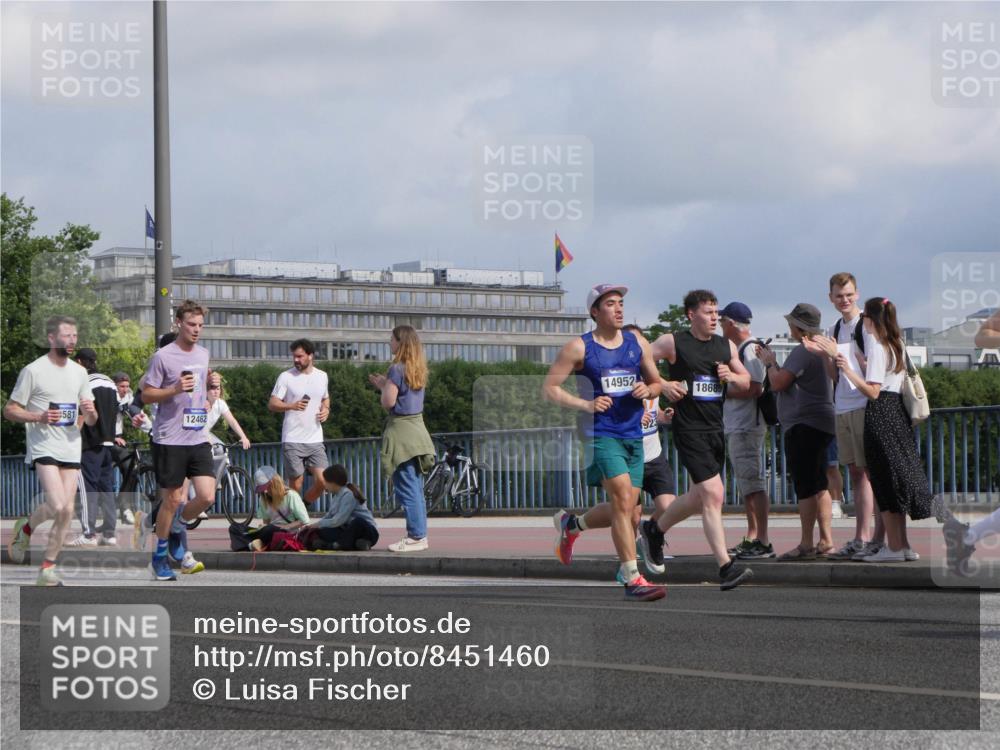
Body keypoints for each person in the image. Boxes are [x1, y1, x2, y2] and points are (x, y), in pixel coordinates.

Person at [543, 284, 666, 601]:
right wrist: (585, 405)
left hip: (633, 434)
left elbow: (656, 382)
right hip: (601, 433)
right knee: (624, 499)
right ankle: (631, 576)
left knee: (629, 512)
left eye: (621, 303)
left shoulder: (637, 342)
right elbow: (551, 389)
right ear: (595, 312)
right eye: (610, 304)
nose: (619, 309)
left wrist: (648, 391)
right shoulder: (579, 348)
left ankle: (573, 526)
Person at [641, 290, 755, 591]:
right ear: (691, 314)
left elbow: (748, 381)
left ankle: (654, 528)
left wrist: (731, 375)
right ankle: (725, 566)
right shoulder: (673, 342)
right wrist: (664, 384)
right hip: (688, 429)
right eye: (708, 312)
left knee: (696, 498)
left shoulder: (725, 344)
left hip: (715, 428)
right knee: (714, 494)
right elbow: (639, 361)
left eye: (717, 312)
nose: (715, 318)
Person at [821, 298, 931, 561]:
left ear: (870, 319)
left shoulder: (879, 346)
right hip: (897, 414)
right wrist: (860, 362)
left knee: (884, 481)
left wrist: (848, 369)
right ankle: (902, 545)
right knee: (895, 479)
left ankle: (893, 547)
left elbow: (873, 390)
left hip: (881, 414)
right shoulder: (896, 344)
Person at [4, 315, 97, 586]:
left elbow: (90, 419)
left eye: (75, 336)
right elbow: (9, 410)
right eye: (66, 336)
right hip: (43, 445)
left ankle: (45, 564)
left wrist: (89, 414)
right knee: (59, 505)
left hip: (71, 446)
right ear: (51, 338)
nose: (71, 341)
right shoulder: (33, 370)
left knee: (66, 510)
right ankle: (34, 540)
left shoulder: (80, 373)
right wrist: (39, 417)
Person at [139, 300, 221, 581]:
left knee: (207, 495)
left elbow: (198, 390)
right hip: (169, 439)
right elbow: (147, 394)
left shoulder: (203, 354)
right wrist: (174, 389)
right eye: (191, 324)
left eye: (200, 325)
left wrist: (210, 387)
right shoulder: (163, 356)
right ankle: (160, 558)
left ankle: (177, 526)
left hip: (197, 436)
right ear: (178, 323)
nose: (196, 330)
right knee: (172, 500)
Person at [756, 303, 836, 560]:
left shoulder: (804, 350)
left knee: (805, 485)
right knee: (820, 483)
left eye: (791, 323)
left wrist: (769, 363)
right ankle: (826, 539)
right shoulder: (824, 348)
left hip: (804, 424)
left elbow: (779, 383)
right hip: (824, 421)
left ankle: (806, 543)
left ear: (798, 327)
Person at [820, 272, 883, 560]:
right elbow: (833, 374)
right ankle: (862, 536)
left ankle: (874, 537)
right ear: (831, 298)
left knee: (870, 472)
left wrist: (842, 360)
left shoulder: (865, 326)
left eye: (848, 294)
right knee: (856, 473)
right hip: (842, 404)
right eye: (838, 295)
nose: (844, 300)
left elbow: (874, 371)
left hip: (864, 404)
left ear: (857, 294)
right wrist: (826, 354)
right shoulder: (834, 327)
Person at [370, 325, 435, 552]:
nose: (390, 342)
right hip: (418, 430)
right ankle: (419, 534)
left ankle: (416, 537)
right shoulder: (418, 369)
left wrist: (383, 387)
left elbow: (389, 402)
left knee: (406, 486)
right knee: (415, 487)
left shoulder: (396, 369)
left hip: (401, 433)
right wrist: (385, 385)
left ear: (400, 342)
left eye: (392, 339)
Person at [718, 302, 774, 559]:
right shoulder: (746, 347)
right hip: (741, 424)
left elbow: (754, 388)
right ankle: (753, 536)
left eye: (721, 322)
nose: (720, 327)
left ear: (731, 323)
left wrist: (722, 390)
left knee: (753, 482)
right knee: (747, 482)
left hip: (746, 424)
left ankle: (761, 538)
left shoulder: (749, 349)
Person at [622, 324, 677, 575]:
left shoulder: (652, 377)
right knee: (631, 514)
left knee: (669, 506)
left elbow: (653, 413)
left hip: (653, 454)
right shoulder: (619, 377)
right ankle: (630, 556)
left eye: (642, 341)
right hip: (628, 455)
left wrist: (664, 417)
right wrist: (635, 420)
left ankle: (651, 532)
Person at [66, 348, 120, 547]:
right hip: (109, 441)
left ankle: (88, 534)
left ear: (80, 362)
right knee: (106, 488)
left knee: (87, 488)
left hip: (89, 442)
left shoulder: (83, 381)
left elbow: (83, 411)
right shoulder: (109, 382)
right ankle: (109, 533)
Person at [268, 339, 330, 506]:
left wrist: (326, 410)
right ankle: (289, 515)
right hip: (293, 438)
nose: (296, 360)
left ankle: (301, 506)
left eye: (300, 356)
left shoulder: (322, 376)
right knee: (296, 483)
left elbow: (325, 399)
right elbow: (272, 404)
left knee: (324, 481)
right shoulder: (286, 377)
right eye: (294, 357)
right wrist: (291, 405)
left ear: (310, 356)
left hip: (315, 439)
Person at [307, 464, 380, 551]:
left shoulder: (349, 494)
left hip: (367, 531)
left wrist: (319, 524)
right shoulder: (336, 497)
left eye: (326, 482)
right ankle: (358, 544)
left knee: (357, 522)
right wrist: (315, 526)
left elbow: (338, 520)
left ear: (333, 482)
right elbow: (329, 516)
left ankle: (336, 545)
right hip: (347, 531)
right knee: (322, 531)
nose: (325, 485)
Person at [249, 465, 310, 551]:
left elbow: (304, 520)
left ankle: (257, 543)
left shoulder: (291, 495)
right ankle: (258, 543)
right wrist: (262, 527)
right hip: (270, 530)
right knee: (235, 528)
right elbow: (266, 522)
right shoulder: (263, 499)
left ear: (275, 483)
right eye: (262, 489)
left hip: (287, 531)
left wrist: (286, 526)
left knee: (268, 530)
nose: (265, 491)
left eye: (267, 487)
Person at [111, 371, 137, 524]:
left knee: (131, 469)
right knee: (104, 478)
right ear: (115, 386)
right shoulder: (107, 397)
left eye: (127, 386)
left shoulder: (128, 397)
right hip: (104, 439)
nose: (125, 389)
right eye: (122, 386)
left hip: (118, 439)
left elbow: (136, 412)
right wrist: (112, 437)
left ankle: (124, 505)